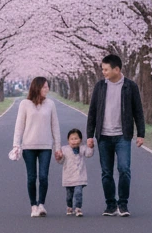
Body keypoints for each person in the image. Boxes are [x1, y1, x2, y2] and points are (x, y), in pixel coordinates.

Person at [85, 53, 145, 217]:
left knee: (124, 169)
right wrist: (90, 135)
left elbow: (138, 111)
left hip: (122, 135)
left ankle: (123, 204)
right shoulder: (100, 86)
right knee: (106, 172)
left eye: (106, 69)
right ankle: (110, 205)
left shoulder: (130, 86)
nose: (103, 72)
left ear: (116, 69)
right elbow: (92, 112)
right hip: (103, 136)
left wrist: (141, 134)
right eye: (102, 69)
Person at [12, 76, 61, 217]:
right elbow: (19, 126)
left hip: (46, 146)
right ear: (37, 87)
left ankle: (41, 204)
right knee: (31, 177)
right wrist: (16, 145)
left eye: (47, 86)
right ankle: (33, 205)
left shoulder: (50, 104)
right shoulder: (25, 104)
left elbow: (55, 126)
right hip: (28, 146)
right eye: (44, 86)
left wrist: (57, 147)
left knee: (44, 177)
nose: (47, 89)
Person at [57, 127, 93, 216]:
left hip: (79, 176)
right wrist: (59, 157)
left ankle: (78, 208)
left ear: (80, 140)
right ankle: (69, 207)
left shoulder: (82, 148)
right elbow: (61, 162)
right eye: (71, 139)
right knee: (69, 195)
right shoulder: (64, 149)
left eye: (76, 138)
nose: (74, 141)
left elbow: (89, 154)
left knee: (78, 193)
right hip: (68, 177)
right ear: (68, 140)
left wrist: (91, 147)